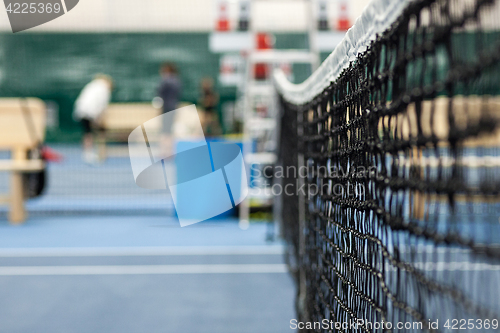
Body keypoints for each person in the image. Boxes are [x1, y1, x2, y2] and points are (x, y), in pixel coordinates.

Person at [73, 74, 113, 164]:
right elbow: (102, 105)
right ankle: (88, 154)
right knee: (88, 133)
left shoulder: (92, 85)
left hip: (83, 110)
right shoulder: (103, 89)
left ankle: (88, 153)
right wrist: (98, 118)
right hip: (88, 112)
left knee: (87, 132)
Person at [156, 63, 182, 157]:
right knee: (169, 130)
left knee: (165, 130)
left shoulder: (166, 81)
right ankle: (169, 151)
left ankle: (165, 151)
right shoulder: (177, 80)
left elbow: (160, 93)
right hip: (173, 107)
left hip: (167, 108)